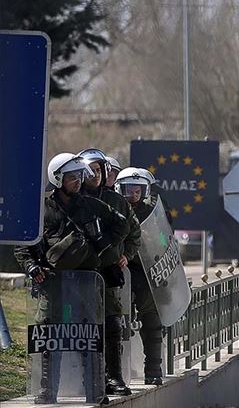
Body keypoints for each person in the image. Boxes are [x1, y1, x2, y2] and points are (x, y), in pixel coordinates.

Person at [14, 153, 129, 404]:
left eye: (79, 175)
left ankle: (95, 388)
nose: (78, 181)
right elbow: (23, 245)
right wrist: (33, 266)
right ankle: (46, 390)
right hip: (51, 283)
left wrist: (100, 245)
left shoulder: (90, 204)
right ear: (57, 179)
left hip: (86, 282)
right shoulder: (41, 209)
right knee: (48, 335)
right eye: (71, 176)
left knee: (89, 334)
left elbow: (122, 225)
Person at [78, 148, 140, 396]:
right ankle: (88, 379)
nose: (95, 175)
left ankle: (113, 377)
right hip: (79, 273)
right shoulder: (73, 200)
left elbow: (133, 232)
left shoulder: (117, 201)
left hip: (108, 273)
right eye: (90, 170)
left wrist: (127, 254)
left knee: (112, 325)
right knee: (83, 327)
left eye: (99, 170)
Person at [114, 167, 165, 385]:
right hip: (122, 270)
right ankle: (116, 373)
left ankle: (153, 369)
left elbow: (164, 237)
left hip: (147, 272)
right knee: (116, 324)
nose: (133, 195)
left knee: (153, 323)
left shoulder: (153, 211)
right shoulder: (113, 209)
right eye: (128, 190)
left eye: (138, 190)